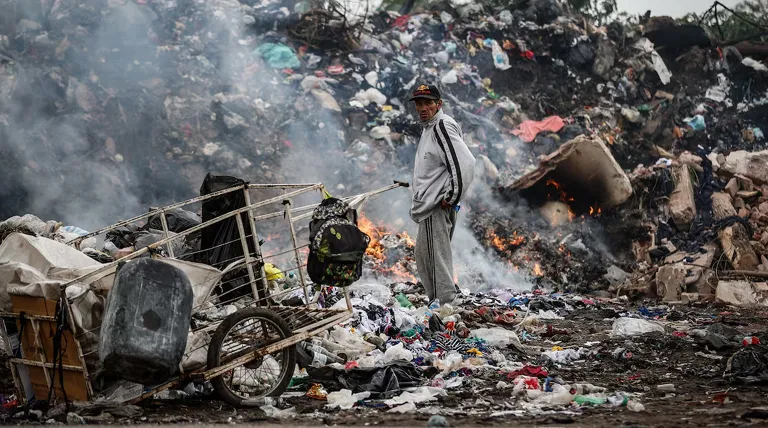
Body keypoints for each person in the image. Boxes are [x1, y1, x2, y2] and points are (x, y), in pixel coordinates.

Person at [409, 84, 475, 305]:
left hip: (436, 205)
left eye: (428, 102)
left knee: (434, 257)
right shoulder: (430, 128)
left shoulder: (441, 126)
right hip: (429, 205)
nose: (423, 107)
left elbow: (464, 163)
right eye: (419, 103)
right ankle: (438, 300)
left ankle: (445, 303)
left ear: (439, 104)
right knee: (425, 256)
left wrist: (452, 196)